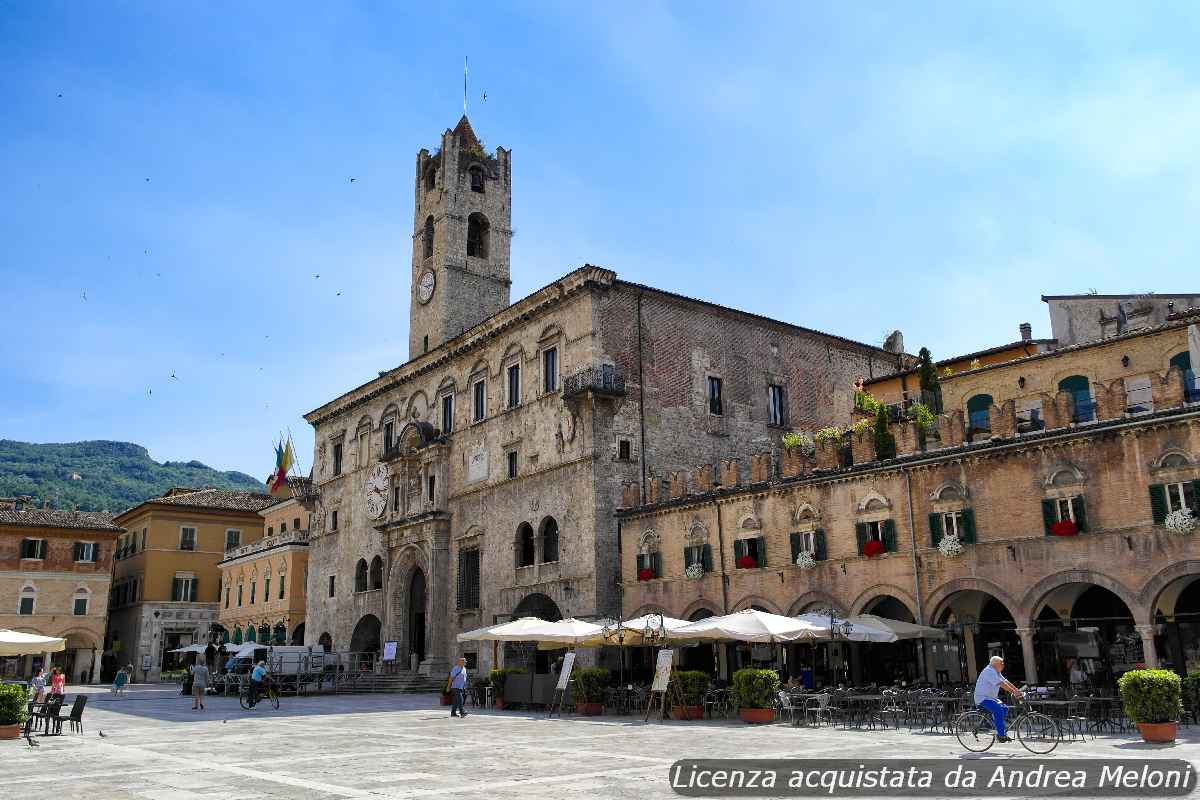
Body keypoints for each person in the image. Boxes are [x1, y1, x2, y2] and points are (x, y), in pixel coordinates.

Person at [974, 655, 1023, 743]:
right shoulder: (989, 671)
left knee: (1005, 709)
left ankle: (996, 724)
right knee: (998, 710)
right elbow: (1001, 684)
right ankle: (1001, 735)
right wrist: (1013, 692)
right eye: (1002, 663)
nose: (1003, 665)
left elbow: (1006, 682)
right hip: (983, 698)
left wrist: (1016, 690)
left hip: (991, 698)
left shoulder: (996, 671)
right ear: (995, 664)